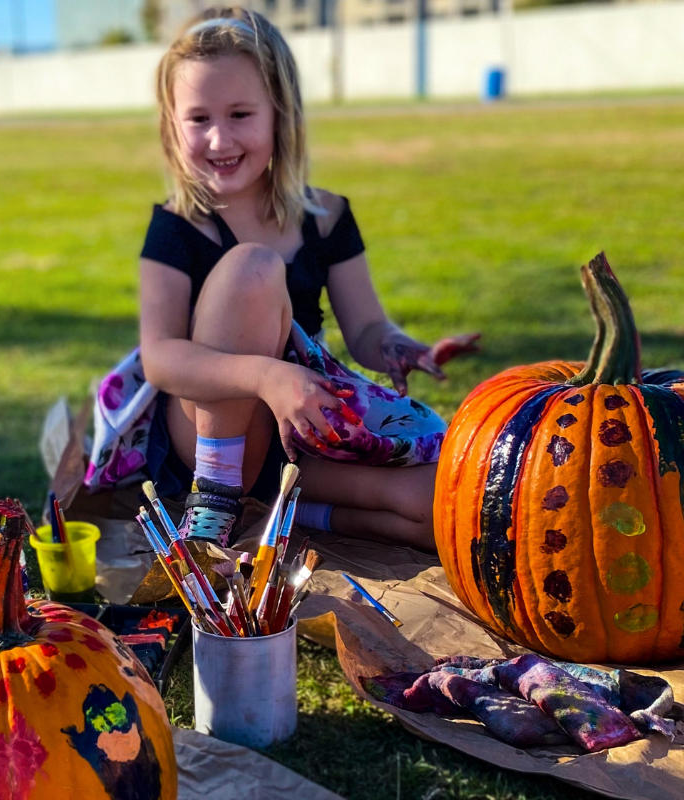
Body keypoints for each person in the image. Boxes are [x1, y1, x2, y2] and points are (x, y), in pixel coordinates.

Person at [137, 8, 478, 551]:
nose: (220, 138)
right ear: (172, 124)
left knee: (444, 506)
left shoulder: (327, 216)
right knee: (253, 267)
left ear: (281, 114)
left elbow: (365, 327)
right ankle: (215, 502)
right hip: (211, 430)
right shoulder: (178, 226)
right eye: (199, 119)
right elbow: (159, 360)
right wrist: (265, 377)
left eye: (241, 114)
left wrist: (396, 347)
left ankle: (294, 514)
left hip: (300, 424)